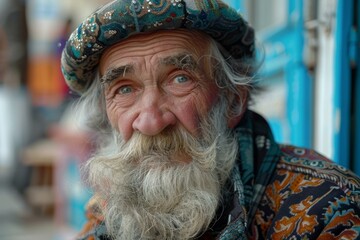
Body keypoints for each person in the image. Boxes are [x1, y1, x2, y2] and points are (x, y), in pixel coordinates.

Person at [61, 0, 360, 239]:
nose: (151, 122)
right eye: (125, 89)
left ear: (232, 100)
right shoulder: (108, 210)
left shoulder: (326, 210)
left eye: (180, 79)